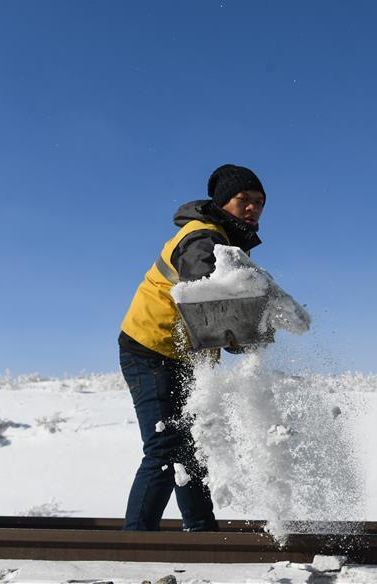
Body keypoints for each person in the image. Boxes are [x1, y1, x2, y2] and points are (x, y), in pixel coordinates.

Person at [118, 164, 267, 531]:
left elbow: (223, 314)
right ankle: (133, 545)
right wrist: (247, 332)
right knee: (165, 448)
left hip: (183, 355)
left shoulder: (227, 243)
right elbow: (207, 297)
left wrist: (245, 333)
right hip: (152, 348)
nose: (253, 208)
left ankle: (200, 533)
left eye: (260, 202)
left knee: (193, 447)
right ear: (223, 202)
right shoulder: (203, 238)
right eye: (244, 200)